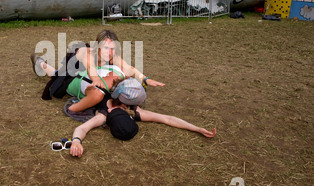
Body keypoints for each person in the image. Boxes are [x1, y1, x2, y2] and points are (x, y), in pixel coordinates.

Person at [67, 78, 217, 158]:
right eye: (127, 105)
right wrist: (76, 141)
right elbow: (82, 127)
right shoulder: (107, 113)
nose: (129, 108)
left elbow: (167, 118)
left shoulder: (129, 111)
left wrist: (197, 128)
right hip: (80, 82)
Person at [31, 29, 165, 112]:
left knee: (55, 74)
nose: (110, 52)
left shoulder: (113, 56)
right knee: (56, 77)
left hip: (86, 74)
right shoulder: (88, 53)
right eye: (106, 48)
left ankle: (41, 63)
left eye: (112, 48)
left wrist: (146, 79)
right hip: (73, 71)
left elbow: (128, 68)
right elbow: (91, 68)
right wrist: (96, 80)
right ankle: (39, 62)